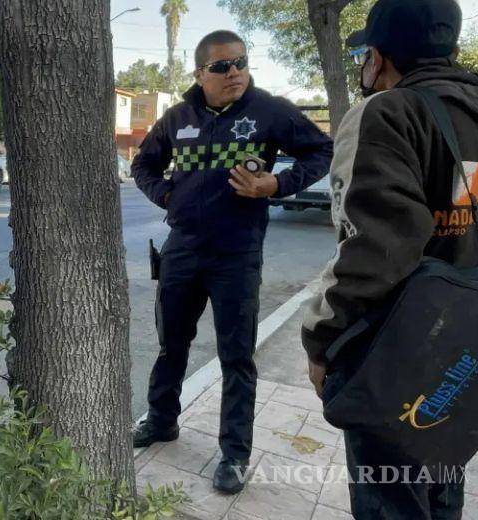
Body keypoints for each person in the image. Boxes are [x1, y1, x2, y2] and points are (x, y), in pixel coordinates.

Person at [302, 0, 478, 519]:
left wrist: (323, 342)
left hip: (400, 354)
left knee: (392, 498)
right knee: (441, 480)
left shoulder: (389, 112)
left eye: (367, 54)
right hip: (477, 349)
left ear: (379, 57)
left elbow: (373, 249)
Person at [131, 30, 333, 494]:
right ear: (200, 74)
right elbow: (144, 165)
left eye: (240, 62)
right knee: (171, 344)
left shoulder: (269, 110)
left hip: (237, 254)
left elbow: (321, 150)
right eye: (221, 66)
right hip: (182, 248)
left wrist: (277, 186)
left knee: (236, 356)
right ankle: (162, 421)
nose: (234, 72)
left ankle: (235, 454)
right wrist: (167, 195)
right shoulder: (177, 117)